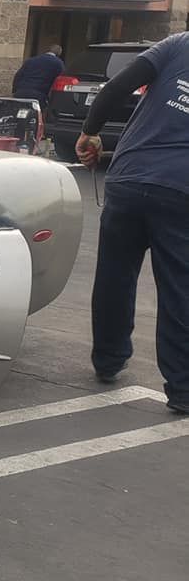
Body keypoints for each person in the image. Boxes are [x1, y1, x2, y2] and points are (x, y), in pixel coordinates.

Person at [76, 32, 189, 415]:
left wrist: (90, 130)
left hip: (128, 179)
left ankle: (108, 360)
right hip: (181, 191)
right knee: (179, 287)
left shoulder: (177, 45)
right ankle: (183, 388)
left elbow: (117, 87)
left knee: (115, 275)